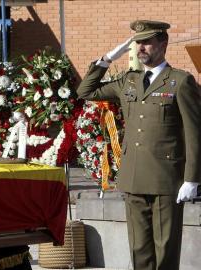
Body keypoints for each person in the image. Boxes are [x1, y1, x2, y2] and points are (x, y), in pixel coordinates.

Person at [77, 20, 201, 270]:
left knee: (165, 248)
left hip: (167, 178)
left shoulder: (180, 81)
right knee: (139, 248)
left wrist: (192, 179)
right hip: (133, 177)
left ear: (163, 44)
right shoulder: (128, 81)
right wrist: (109, 57)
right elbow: (85, 91)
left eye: (147, 42)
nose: (140, 48)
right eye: (137, 43)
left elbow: (195, 132)